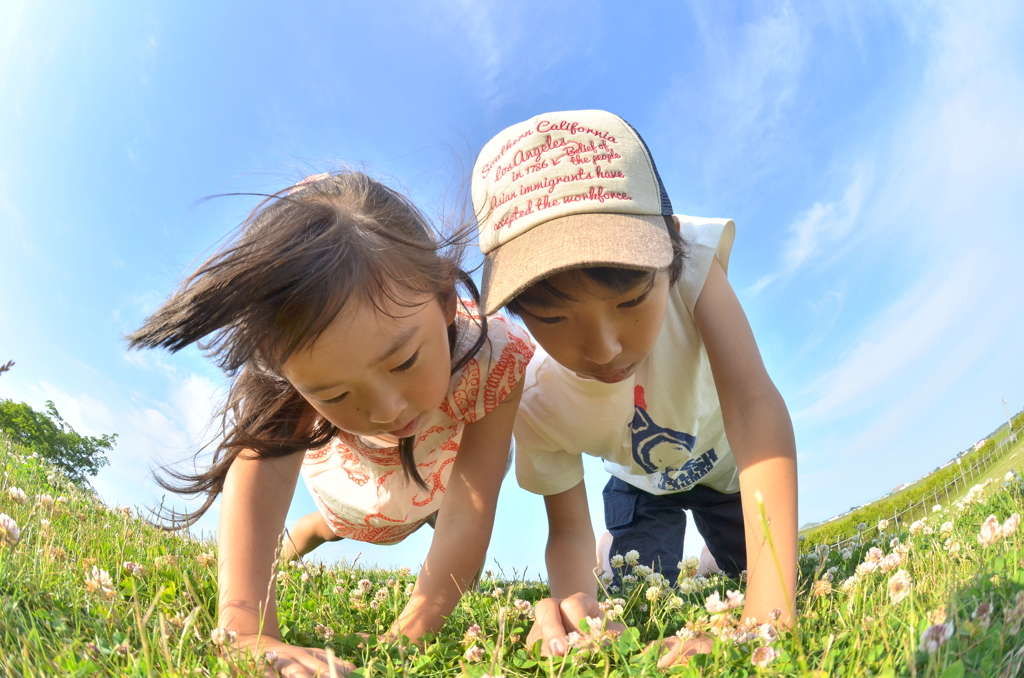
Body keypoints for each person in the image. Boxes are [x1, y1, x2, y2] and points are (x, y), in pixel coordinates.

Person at [128, 171, 534, 677]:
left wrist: (404, 639)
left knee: (454, 546)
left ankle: (435, 565)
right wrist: (247, 632)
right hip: (356, 468)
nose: (386, 409)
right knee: (332, 526)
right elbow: (263, 470)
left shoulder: (494, 357)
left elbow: (469, 510)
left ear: (446, 299)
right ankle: (306, 537)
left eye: (404, 361)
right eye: (335, 394)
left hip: (443, 466)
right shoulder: (305, 360)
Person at [471, 110, 798, 664]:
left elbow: (752, 404)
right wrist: (575, 603)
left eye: (630, 300)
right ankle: (615, 552)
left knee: (756, 570)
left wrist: (768, 619)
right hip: (639, 486)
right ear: (519, 312)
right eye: (554, 318)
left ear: (671, 250)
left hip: (724, 470)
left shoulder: (693, 270)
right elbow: (566, 529)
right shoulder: (539, 402)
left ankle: (710, 560)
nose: (604, 349)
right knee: (635, 586)